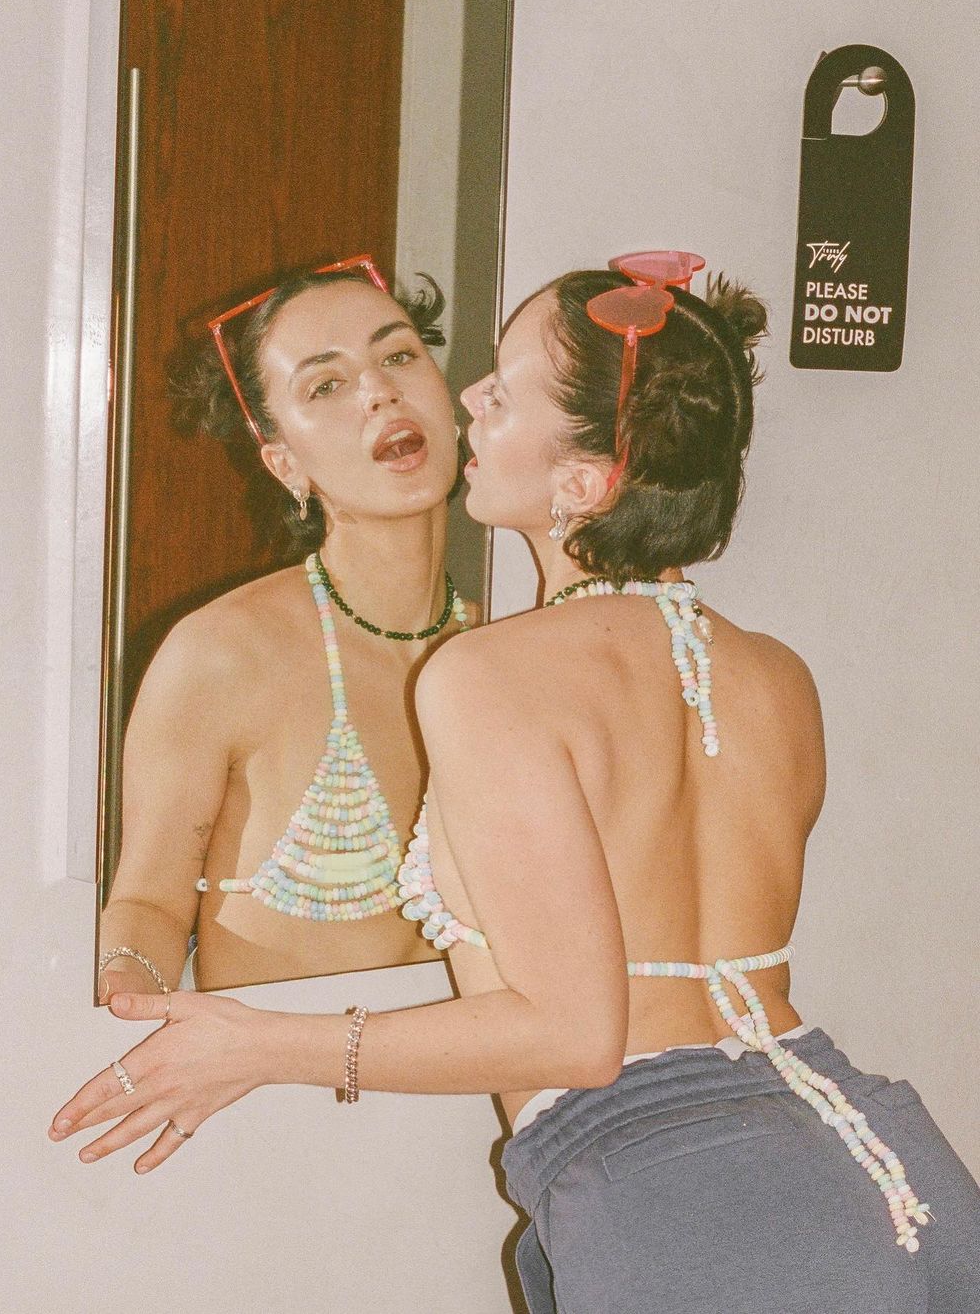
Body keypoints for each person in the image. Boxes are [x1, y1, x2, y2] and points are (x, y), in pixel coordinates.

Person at [56, 253, 979, 1311]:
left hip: (689, 1208)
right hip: (881, 1162)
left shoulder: (492, 670)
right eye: (331, 382)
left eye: (495, 387)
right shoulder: (774, 673)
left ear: (581, 482)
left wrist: (260, 1046)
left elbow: (575, 1035)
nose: (461, 399)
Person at [98, 257, 477, 997]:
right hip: (273, 1066)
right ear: (283, 464)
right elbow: (147, 905)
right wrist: (129, 998)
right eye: (325, 385)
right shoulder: (222, 652)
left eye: (399, 355)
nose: (379, 391)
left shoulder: (506, 651)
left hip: (470, 1068)